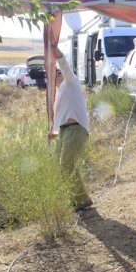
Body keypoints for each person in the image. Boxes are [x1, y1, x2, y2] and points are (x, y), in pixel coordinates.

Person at [53, 44, 92, 212]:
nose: (58, 73)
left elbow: (63, 64)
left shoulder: (71, 82)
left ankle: (82, 200)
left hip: (76, 128)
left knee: (66, 164)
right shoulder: (59, 93)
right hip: (64, 131)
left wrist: (54, 48)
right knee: (60, 166)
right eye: (54, 73)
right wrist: (53, 132)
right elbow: (60, 116)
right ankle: (74, 199)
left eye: (58, 72)